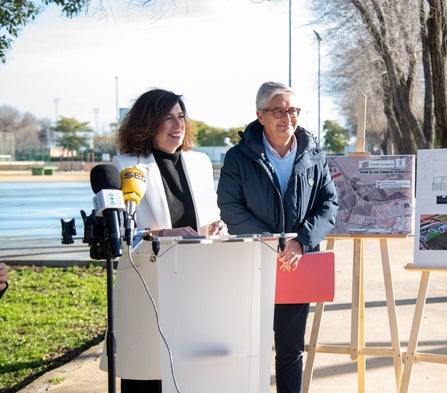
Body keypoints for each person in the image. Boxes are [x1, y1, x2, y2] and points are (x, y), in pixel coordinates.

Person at [100, 88, 226, 393]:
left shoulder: (199, 164)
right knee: (147, 378)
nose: (177, 124)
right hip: (148, 289)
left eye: (181, 116)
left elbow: (207, 218)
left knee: (192, 379)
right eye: (167, 118)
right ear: (147, 124)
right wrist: (162, 235)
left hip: (194, 288)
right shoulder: (124, 165)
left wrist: (216, 227)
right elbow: (119, 234)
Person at [217, 81, 338, 392]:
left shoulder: (314, 154)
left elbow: (329, 205)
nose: (288, 118)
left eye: (293, 110)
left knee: (290, 350)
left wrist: (301, 241)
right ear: (261, 115)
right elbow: (230, 208)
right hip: (253, 262)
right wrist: (270, 242)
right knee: (250, 348)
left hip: (297, 263)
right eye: (279, 111)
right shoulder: (237, 157)